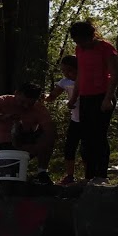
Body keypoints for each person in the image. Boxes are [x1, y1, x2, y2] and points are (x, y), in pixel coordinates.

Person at [67, 21, 118, 185]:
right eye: (77, 42)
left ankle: (101, 175)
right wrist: (74, 98)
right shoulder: (79, 49)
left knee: (99, 136)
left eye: (82, 40)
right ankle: (89, 176)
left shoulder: (106, 48)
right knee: (86, 137)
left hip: (102, 96)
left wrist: (108, 98)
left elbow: (114, 74)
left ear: (91, 36)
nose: (80, 44)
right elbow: (80, 75)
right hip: (86, 97)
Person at [0, 82, 55, 183]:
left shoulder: (39, 109)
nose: (25, 106)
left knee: (47, 141)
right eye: (22, 101)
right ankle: (0, 170)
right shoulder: (2, 101)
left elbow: (50, 131)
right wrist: (2, 117)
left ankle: (42, 172)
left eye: (30, 104)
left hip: (23, 143)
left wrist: (37, 146)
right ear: (16, 93)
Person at [45, 55, 82, 184]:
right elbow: (53, 95)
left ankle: (90, 175)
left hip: (89, 118)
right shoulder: (65, 82)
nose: (67, 74)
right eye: (64, 71)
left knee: (87, 147)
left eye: (70, 70)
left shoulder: (85, 79)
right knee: (70, 147)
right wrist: (44, 97)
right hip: (75, 119)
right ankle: (70, 175)